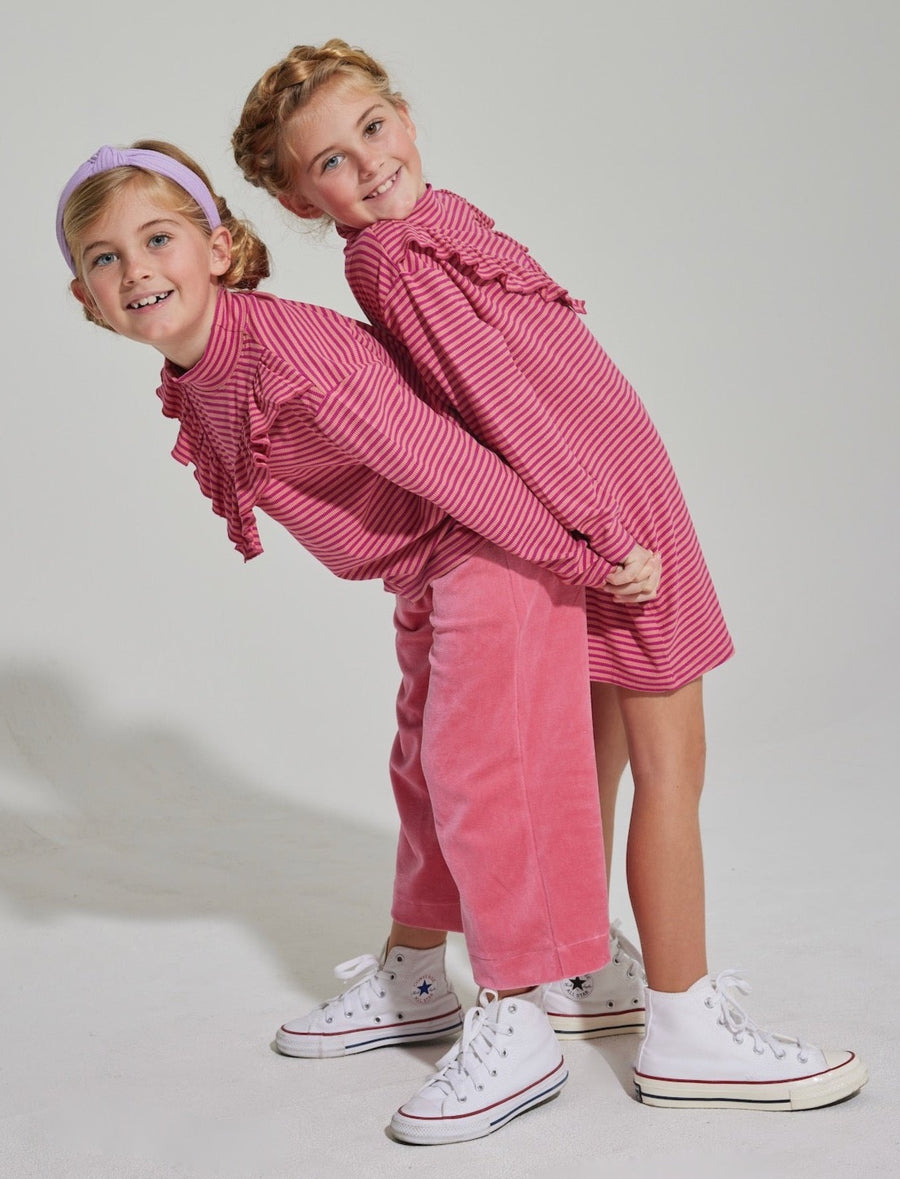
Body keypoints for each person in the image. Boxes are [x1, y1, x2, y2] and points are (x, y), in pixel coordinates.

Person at [230, 38, 867, 1123]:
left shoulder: (428, 228)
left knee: (602, 753)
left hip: (616, 503)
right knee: (675, 768)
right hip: (611, 526)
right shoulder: (397, 259)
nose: (370, 165)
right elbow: (500, 406)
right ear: (297, 196)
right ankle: (685, 1022)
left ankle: (583, 969)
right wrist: (600, 530)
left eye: (374, 129)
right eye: (332, 163)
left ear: (406, 114)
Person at [56, 140, 670, 1146]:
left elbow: (449, 464)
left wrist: (584, 552)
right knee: (425, 770)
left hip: (495, 547)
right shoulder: (206, 363)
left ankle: (519, 1013)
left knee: (485, 773)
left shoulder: (284, 355)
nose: (136, 272)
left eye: (157, 240)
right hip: (430, 565)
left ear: (218, 247)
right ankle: (416, 973)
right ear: (81, 296)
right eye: (105, 258)